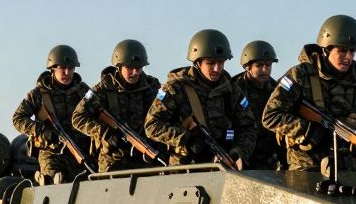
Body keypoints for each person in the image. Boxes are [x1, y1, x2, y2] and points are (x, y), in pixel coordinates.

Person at [262, 14, 356, 174]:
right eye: (342, 51)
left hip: (348, 168)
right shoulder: (300, 75)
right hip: (306, 167)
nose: (349, 57)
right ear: (326, 49)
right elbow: (271, 116)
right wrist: (308, 129)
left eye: (353, 51)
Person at [144, 29, 255, 167]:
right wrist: (187, 140)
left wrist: (238, 151)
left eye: (221, 62)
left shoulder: (232, 90)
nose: (216, 68)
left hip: (223, 167)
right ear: (197, 62)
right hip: (184, 169)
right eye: (210, 63)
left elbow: (249, 127)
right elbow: (152, 125)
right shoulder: (176, 88)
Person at [72, 39, 162, 172]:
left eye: (139, 68)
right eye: (130, 68)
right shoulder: (101, 90)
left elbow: (166, 111)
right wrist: (104, 132)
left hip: (145, 157)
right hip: (113, 160)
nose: (135, 72)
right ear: (119, 66)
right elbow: (78, 118)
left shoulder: (153, 87)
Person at [11, 44, 93, 183]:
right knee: (53, 184)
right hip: (52, 154)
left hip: (81, 152)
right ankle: (40, 178)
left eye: (70, 68)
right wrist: (43, 131)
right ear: (53, 68)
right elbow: (18, 119)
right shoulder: (39, 94)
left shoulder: (84, 91)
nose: (67, 73)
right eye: (62, 68)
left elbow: (99, 113)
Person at [233, 40, 284, 170]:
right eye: (259, 65)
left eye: (268, 65)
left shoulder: (276, 90)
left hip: (269, 158)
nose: (265, 70)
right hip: (241, 154)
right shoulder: (234, 89)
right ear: (247, 67)